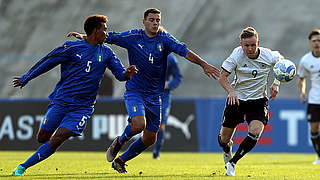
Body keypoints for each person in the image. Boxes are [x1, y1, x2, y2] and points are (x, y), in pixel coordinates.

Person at [68, 8, 220, 173]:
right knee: (139, 124)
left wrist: (204, 64)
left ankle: (120, 161)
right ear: (144, 21)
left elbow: (185, 51)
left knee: (150, 139)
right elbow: (110, 37)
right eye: (152, 20)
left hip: (155, 95)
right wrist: (86, 37)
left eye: (158, 20)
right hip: (135, 91)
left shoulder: (165, 39)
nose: (155, 23)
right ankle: (119, 142)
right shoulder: (134, 37)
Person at [11, 14, 137, 176]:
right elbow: (48, 61)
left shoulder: (107, 52)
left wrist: (127, 73)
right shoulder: (72, 48)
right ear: (95, 30)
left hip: (82, 108)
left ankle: (22, 167)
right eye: (104, 30)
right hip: (61, 101)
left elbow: (120, 74)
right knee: (42, 137)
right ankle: (40, 149)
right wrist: (26, 77)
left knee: (58, 138)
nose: (107, 33)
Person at [218, 27, 283, 176]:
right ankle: (227, 149)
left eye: (253, 45)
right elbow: (222, 77)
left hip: (258, 101)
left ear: (258, 43)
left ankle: (233, 163)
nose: (250, 48)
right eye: (246, 45)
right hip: (237, 100)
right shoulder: (236, 55)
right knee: (223, 139)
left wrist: (276, 83)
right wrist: (231, 91)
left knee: (255, 132)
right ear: (241, 45)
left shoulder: (268, 55)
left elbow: (282, 63)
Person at [153, 53, 183, 160]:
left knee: (161, 124)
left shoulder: (170, 58)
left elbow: (178, 77)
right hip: (148, 92)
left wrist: (169, 84)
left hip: (164, 95)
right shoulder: (147, 51)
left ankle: (157, 151)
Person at [298, 29, 320, 165]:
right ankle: (319, 156)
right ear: (310, 43)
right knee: (313, 130)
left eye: (319, 40)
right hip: (315, 99)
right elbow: (301, 78)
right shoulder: (306, 60)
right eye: (314, 41)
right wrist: (302, 92)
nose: (317, 43)